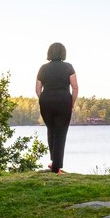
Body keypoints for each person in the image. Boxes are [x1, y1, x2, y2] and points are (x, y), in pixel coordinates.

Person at [36, 42, 78, 173]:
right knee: (60, 132)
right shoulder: (68, 67)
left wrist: (44, 100)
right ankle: (56, 167)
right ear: (63, 53)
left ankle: (54, 161)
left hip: (46, 101)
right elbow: (75, 87)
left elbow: (38, 89)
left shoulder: (43, 68)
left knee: (51, 129)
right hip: (64, 101)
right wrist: (72, 103)